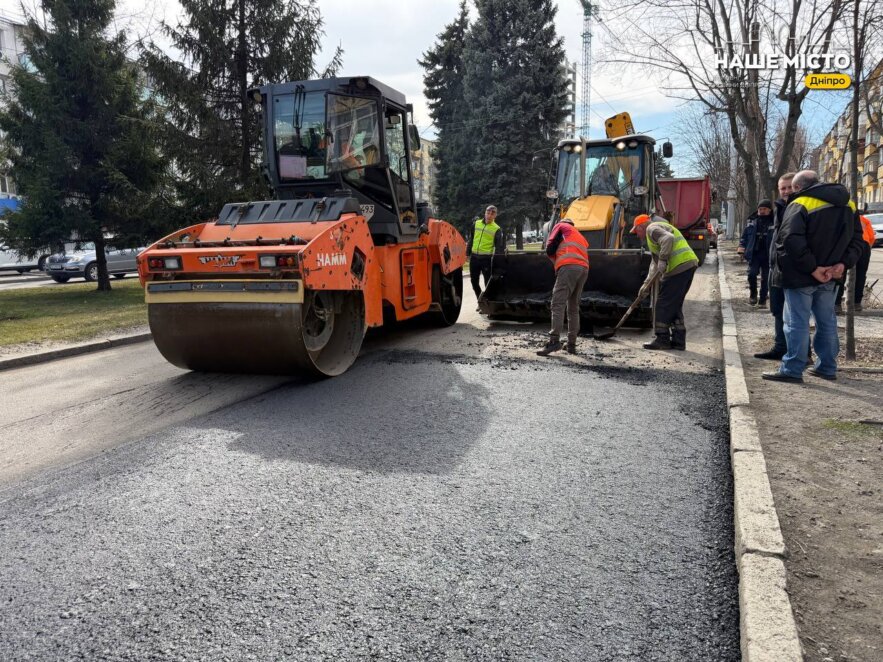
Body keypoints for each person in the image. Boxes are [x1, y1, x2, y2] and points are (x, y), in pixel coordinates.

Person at [762, 170, 866, 383]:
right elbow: (858, 240)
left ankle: (792, 369)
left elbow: (790, 240)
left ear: (799, 187)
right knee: (826, 320)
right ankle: (827, 367)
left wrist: (812, 268)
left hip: (802, 275)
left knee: (796, 322)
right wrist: (842, 264)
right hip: (832, 275)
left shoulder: (800, 203)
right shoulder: (849, 205)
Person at [631, 213, 700, 350]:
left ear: (641, 227)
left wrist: (663, 259)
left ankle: (662, 338)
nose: (636, 235)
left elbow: (668, 238)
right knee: (674, 304)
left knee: (663, 304)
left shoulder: (652, 229)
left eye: (636, 231)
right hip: (688, 265)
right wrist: (645, 286)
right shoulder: (654, 234)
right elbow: (654, 265)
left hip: (678, 267)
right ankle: (678, 340)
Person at [754, 173, 795, 360]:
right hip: (775, 267)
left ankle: (801, 353)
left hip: (794, 269)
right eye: (783, 188)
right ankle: (780, 347)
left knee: (796, 315)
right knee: (778, 310)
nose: (786, 191)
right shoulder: (781, 208)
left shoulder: (800, 208)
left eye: (790, 187)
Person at [537, 218, 589, 355]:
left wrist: (557, 265)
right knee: (573, 307)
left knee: (557, 304)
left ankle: (554, 341)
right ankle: (571, 344)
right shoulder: (580, 235)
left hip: (568, 267)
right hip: (584, 269)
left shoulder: (560, 226)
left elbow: (549, 249)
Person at [834, 214, 875, 313]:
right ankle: (857, 303)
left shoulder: (841, 215)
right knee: (860, 275)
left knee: (840, 273)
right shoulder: (864, 219)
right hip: (863, 244)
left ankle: (837, 304)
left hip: (845, 244)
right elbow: (871, 238)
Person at [738, 199, 775, 305]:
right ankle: (753, 294)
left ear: (769, 210)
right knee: (751, 274)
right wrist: (741, 249)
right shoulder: (752, 221)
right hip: (755, 254)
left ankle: (763, 298)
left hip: (768, 254)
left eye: (764, 209)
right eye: (760, 209)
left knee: (766, 278)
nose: (762, 211)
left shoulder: (775, 221)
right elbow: (744, 237)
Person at [467, 205, 505, 308]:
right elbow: (471, 239)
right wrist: (467, 253)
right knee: (474, 281)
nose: (489, 215)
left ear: (495, 216)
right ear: (485, 213)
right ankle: (480, 301)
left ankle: (488, 302)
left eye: (492, 214)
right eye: (488, 213)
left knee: (487, 282)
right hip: (474, 258)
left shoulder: (497, 229)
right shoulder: (476, 224)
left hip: (486, 259)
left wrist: (497, 260)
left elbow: (498, 247)